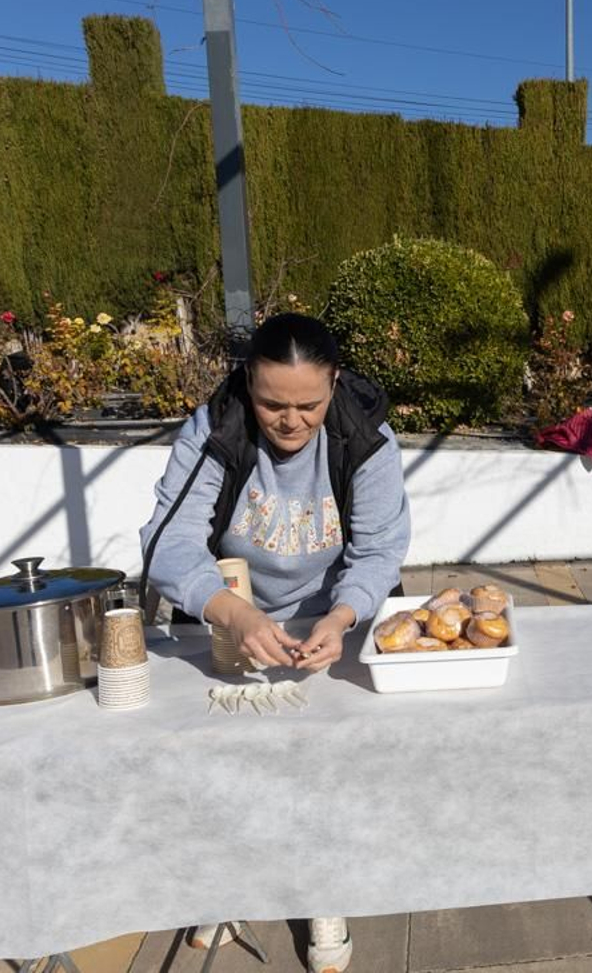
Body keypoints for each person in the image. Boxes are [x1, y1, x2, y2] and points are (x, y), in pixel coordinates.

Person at [139, 312, 411, 973]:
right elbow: (167, 541)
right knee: (219, 758)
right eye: (271, 403)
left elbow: (380, 548)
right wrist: (231, 611)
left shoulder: (366, 437)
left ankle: (325, 890)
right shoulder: (214, 428)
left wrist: (343, 615)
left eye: (308, 405)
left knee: (327, 761)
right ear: (247, 384)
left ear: (335, 384)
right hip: (230, 613)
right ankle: (227, 881)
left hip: (327, 618)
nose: (290, 421)